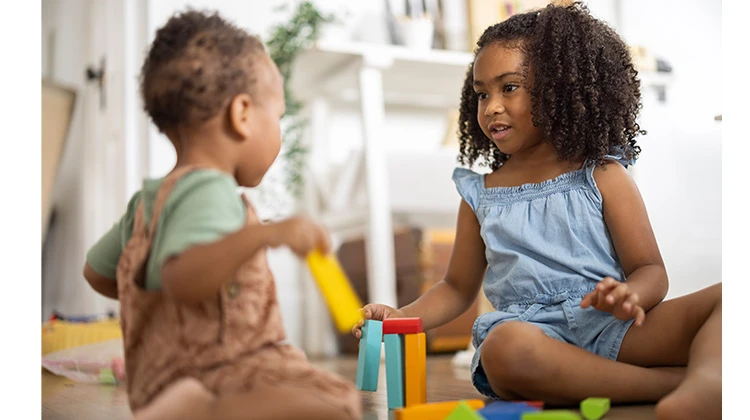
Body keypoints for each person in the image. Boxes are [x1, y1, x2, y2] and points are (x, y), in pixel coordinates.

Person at [353, 3, 720, 419]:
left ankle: (711, 383)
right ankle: (674, 384)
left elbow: (651, 270)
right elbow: (456, 288)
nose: (491, 107)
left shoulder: (602, 174)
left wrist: (630, 296)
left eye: (509, 87)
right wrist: (402, 316)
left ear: (559, 88)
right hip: (531, 339)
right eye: (481, 93)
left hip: (610, 328)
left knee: (729, 297)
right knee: (505, 349)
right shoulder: (481, 195)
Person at [83, 9, 361, 420]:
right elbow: (181, 277)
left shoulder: (149, 200)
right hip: (218, 372)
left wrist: (156, 312)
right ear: (242, 114)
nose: (280, 132)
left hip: (153, 381)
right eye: (279, 116)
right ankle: (199, 409)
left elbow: (99, 273)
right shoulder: (210, 189)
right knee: (337, 404)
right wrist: (270, 234)